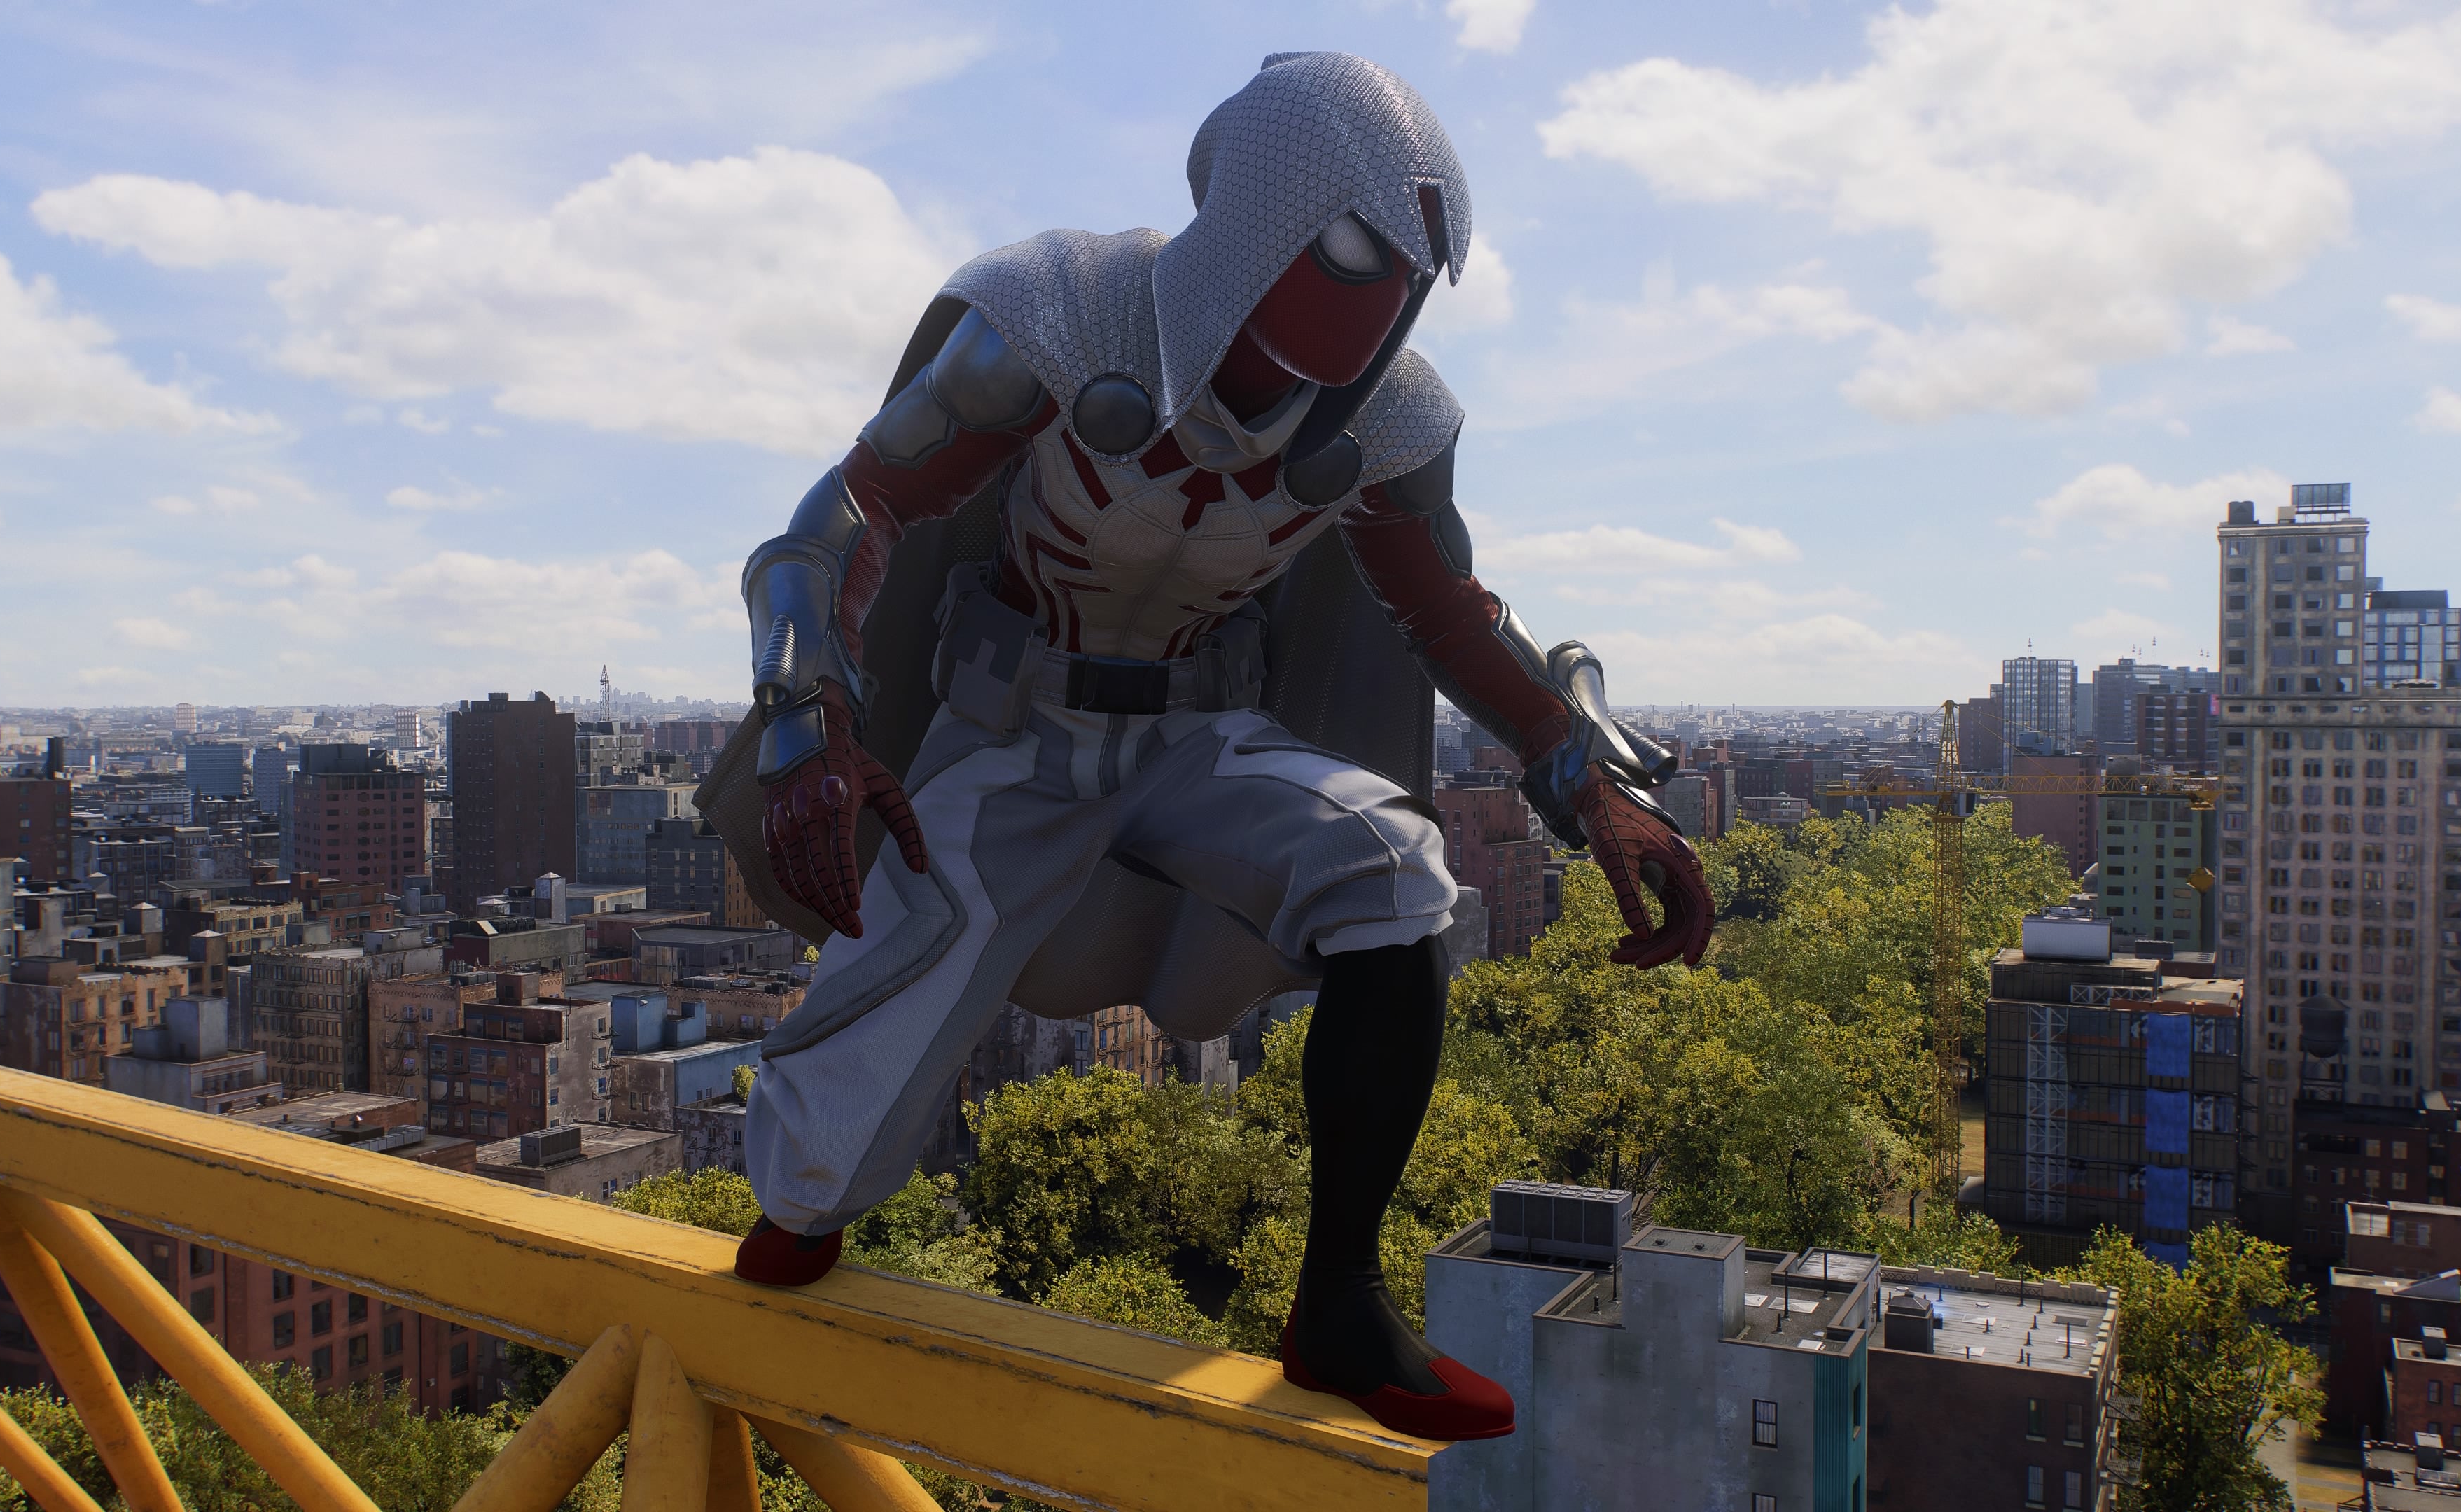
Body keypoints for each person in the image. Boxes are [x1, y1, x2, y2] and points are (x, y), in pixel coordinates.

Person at [713, 52, 1714, 1442]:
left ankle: (1341, 1300)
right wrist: (806, 722)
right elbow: (840, 520)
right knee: (835, 1121)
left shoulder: (1389, 420)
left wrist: (1578, 778)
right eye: (1360, 254)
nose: (1380, 309)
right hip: (1009, 733)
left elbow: (1446, 609)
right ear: (1270, 210)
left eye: (1408, 275)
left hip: (1205, 734)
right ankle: (801, 1218)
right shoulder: (1058, 319)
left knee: (1399, 880)